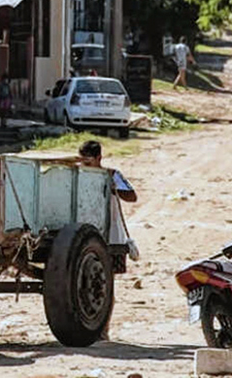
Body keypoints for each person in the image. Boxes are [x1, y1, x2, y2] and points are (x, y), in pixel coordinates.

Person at [78, 140, 139, 341]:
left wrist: (114, 189)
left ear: (99, 159)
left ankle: (103, 329)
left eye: (89, 162)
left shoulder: (112, 175)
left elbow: (132, 196)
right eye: (82, 162)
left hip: (111, 236)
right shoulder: (77, 175)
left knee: (105, 284)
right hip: (84, 235)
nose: (85, 166)